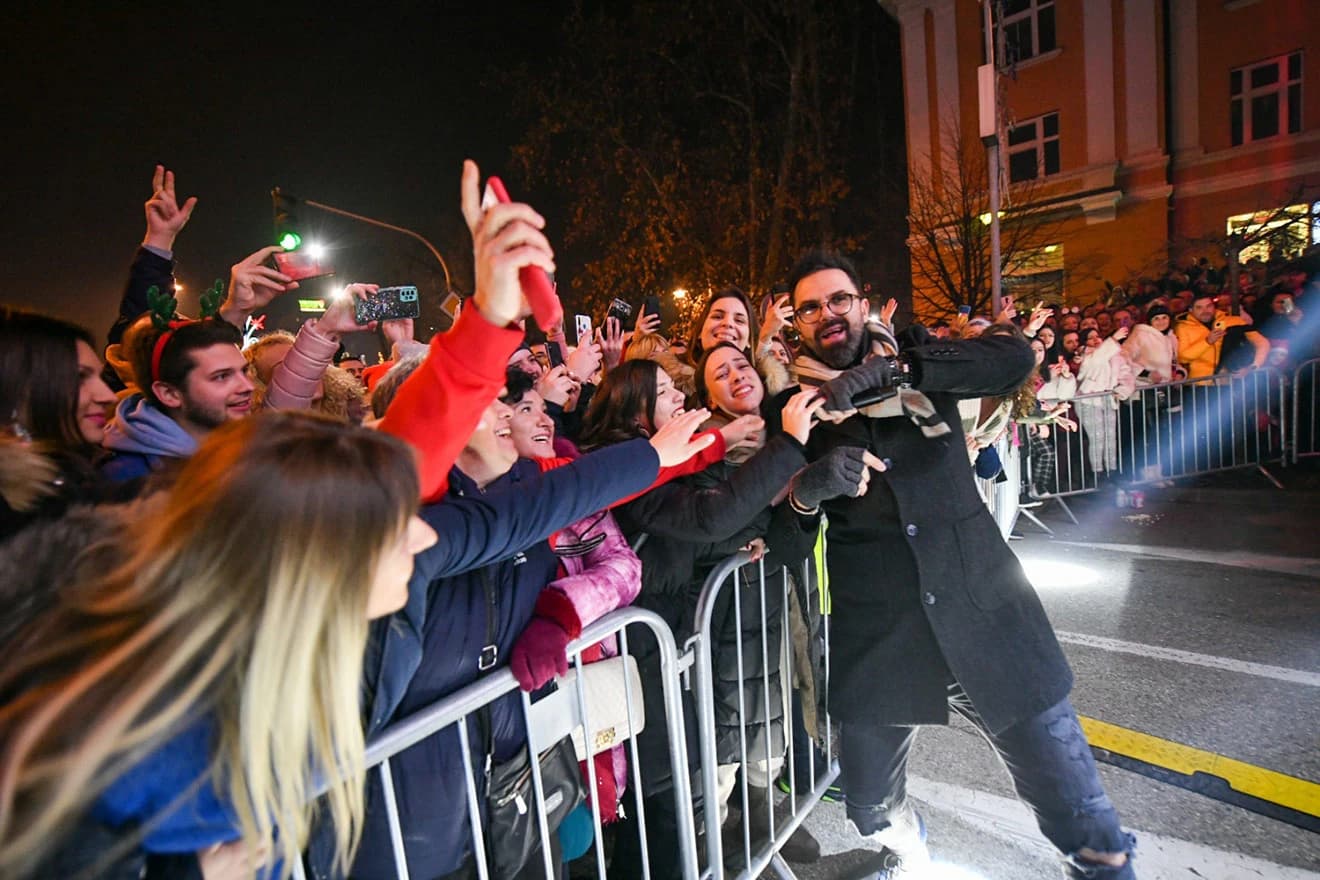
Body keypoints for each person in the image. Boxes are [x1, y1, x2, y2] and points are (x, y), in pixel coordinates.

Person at [780, 249, 1136, 879]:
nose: (827, 314)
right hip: (883, 636)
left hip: (984, 609)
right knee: (866, 805)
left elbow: (1015, 360)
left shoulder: (921, 357)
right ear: (797, 325)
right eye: (810, 307)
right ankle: (912, 854)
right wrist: (807, 489)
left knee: (1083, 819)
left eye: (839, 299)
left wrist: (893, 374)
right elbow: (783, 530)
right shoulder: (795, 410)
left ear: (862, 303)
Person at [0, 412, 439, 880]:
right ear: (314, 567)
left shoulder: (240, 670)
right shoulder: (143, 736)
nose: (427, 535)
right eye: (396, 529)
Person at [0, 308, 120, 540]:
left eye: (101, 377)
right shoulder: (13, 515)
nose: (109, 396)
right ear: (15, 390)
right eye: (80, 378)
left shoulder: (75, 475)